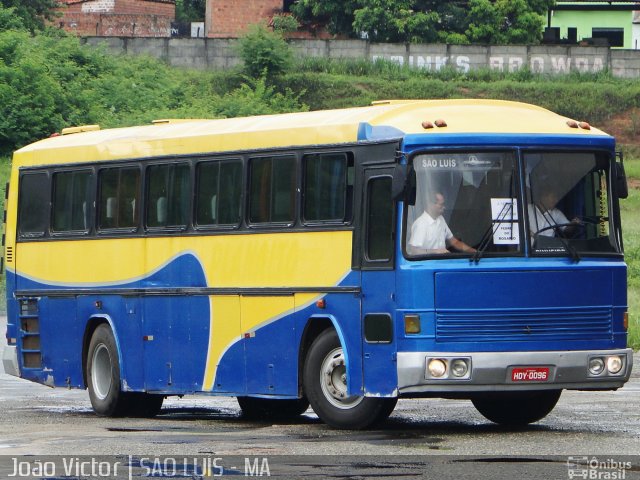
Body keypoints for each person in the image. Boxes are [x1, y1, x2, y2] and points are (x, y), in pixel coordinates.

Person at [407, 191, 476, 255]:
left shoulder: (441, 219)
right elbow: (414, 251)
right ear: (430, 204)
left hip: (442, 262)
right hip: (428, 266)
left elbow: (454, 242)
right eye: (441, 204)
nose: (444, 207)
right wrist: (436, 251)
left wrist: (474, 252)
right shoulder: (421, 224)